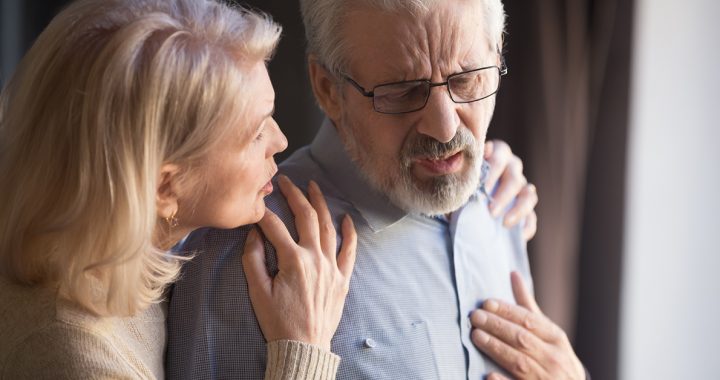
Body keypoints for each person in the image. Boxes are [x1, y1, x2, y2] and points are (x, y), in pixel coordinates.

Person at [166, 0, 586, 379]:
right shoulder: (247, 253)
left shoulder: (504, 199)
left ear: (497, 55)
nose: (445, 127)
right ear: (328, 90)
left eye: (466, 80)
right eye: (403, 91)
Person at [0, 0, 359, 378]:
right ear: (164, 187)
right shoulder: (72, 358)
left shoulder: (108, 258)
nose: (281, 141)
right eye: (254, 134)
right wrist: (304, 351)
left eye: (270, 116)